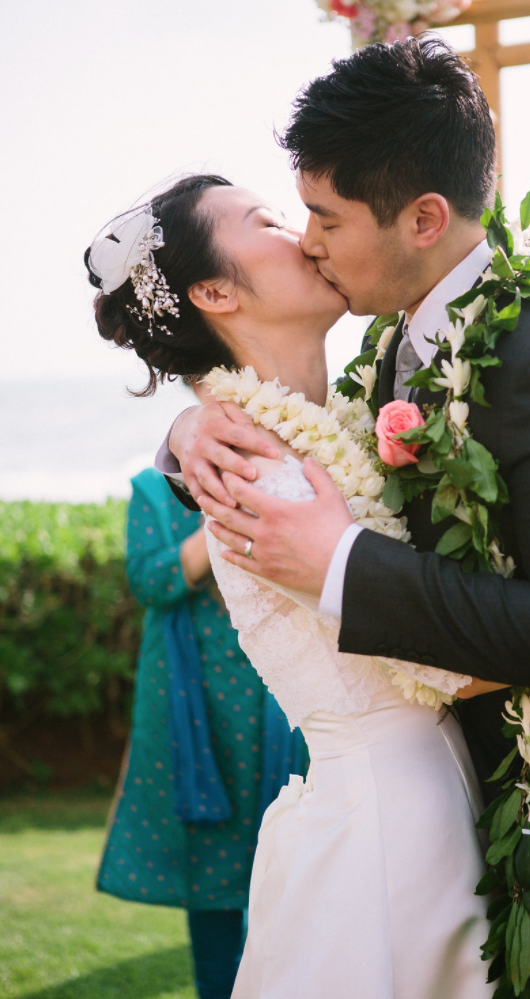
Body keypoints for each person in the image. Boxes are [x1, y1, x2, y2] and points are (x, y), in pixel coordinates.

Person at [161, 39, 530, 998]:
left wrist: (342, 560)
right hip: (460, 822)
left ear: (424, 217)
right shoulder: (398, 341)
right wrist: (189, 427)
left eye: (322, 216)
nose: (308, 240)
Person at [86, 176, 502, 998]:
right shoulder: (252, 471)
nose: (307, 232)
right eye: (270, 221)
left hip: (425, 799)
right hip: (391, 829)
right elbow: (443, 663)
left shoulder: (336, 416)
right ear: (213, 291)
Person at [96, 376, 306, 999]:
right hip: (195, 705)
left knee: (286, 857)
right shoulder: (152, 492)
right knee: (211, 869)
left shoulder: (279, 484)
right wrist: (214, 520)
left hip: (270, 694)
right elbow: (152, 580)